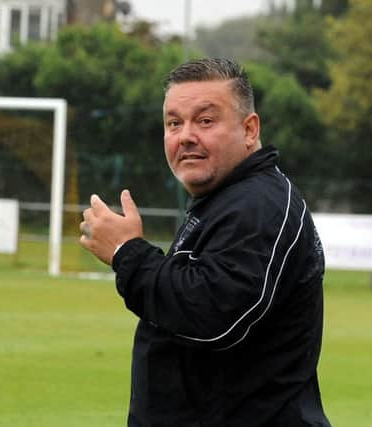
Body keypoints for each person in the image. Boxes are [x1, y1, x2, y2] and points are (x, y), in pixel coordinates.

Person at [79, 57, 330, 427]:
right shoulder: (228, 200)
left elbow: (214, 317)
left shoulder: (258, 205)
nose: (186, 136)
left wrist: (126, 253)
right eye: (174, 123)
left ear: (249, 130)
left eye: (205, 120)